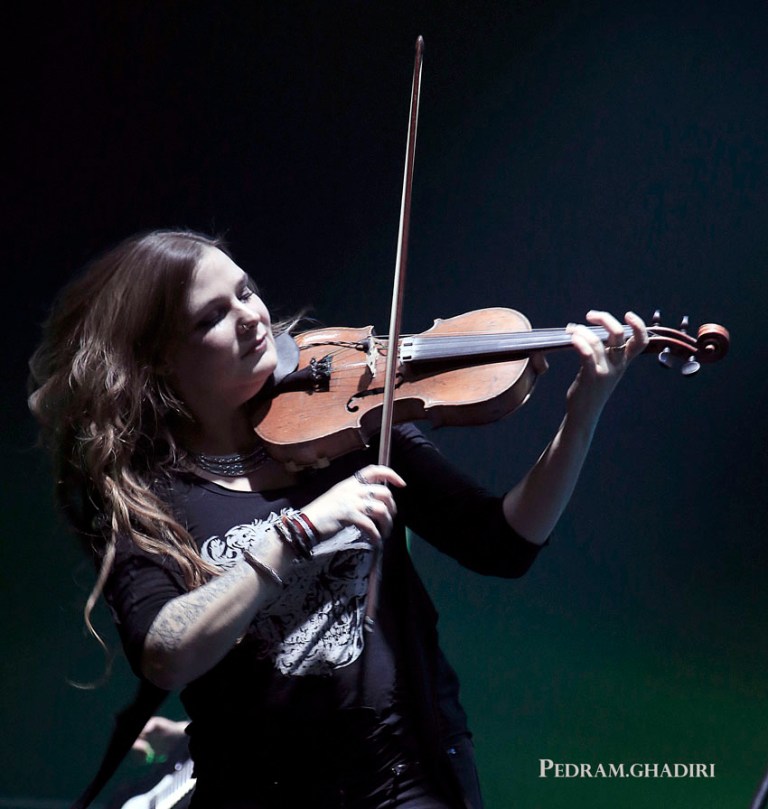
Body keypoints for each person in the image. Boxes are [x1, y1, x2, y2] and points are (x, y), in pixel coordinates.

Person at [29, 230, 648, 808]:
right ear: (160, 359)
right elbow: (166, 653)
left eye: (245, 291)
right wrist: (297, 534)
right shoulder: (147, 497)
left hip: (407, 772)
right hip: (259, 789)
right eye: (211, 316)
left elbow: (502, 543)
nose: (251, 316)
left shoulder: (345, 418)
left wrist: (583, 411)